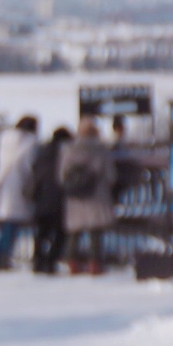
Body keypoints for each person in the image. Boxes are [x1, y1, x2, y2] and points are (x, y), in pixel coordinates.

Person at [60, 117, 116, 274]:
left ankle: (72, 262)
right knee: (95, 231)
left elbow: (62, 175)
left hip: (75, 197)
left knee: (74, 231)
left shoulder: (69, 149)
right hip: (97, 196)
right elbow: (111, 175)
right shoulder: (101, 150)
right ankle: (95, 264)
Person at [0, 115, 39, 270]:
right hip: (18, 185)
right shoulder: (30, 142)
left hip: (2, 184)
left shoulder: (4, 139)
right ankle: (2, 256)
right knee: (12, 224)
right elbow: (28, 166)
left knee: (7, 222)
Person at [31, 126, 71, 275]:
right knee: (60, 232)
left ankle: (38, 260)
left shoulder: (42, 151)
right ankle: (51, 260)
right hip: (58, 197)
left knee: (42, 231)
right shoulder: (65, 152)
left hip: (41, 196)